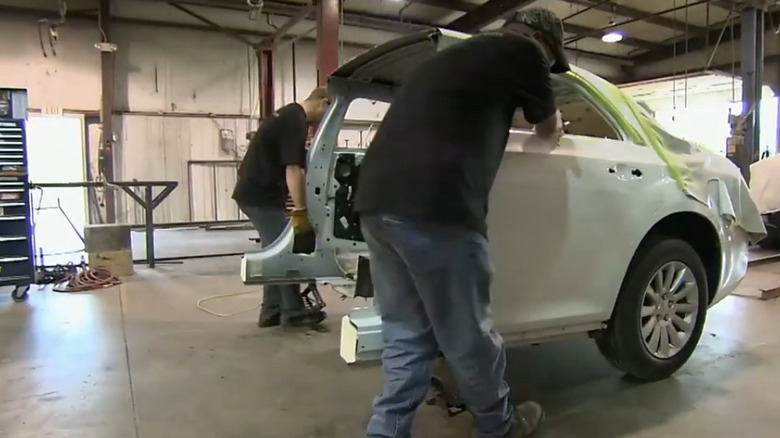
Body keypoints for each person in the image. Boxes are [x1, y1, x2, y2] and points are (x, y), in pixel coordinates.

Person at [353, 8, 569, 438]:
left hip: (376, 203)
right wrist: (557, 124)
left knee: (406, 332)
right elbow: (546, 128)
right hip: (437, 207)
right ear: (543, 43)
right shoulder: (525, 53)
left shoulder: (450, 59)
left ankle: (386, 430)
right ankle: (497, 427)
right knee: (468, 336)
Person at [232, 87, 331, 328]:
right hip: (259, 196)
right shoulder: (295, 120)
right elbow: (293, 168)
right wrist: (300, 210)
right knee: (288, 252)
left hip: (254, 193)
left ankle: (272, 311)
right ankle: (293, 313)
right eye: (329, 111)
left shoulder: (288, 114)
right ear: (324, 102)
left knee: (274, 251)